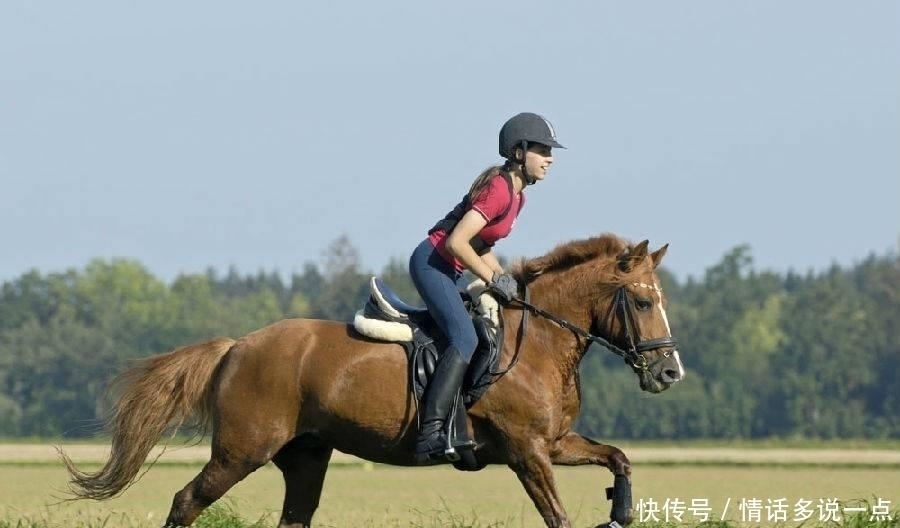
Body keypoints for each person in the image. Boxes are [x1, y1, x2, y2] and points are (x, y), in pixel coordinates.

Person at [408, 112, 564, 462]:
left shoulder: (518, 197)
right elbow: (456, 242)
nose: (550, 159)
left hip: (451, 269)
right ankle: (430, 434)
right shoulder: (499, 189)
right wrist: (493, 279)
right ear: (519, 152)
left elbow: (481, 245)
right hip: (432, 264)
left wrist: (506, 279)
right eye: (543, 150)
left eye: (550, 152)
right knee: (466, 338)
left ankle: (462, 418)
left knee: (484, 332)